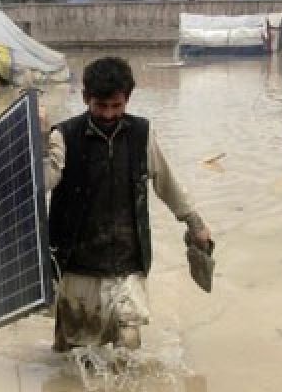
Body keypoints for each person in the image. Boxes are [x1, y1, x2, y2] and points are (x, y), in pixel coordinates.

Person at [43, 56, 211, 353]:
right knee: (69, 347)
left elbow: (166, 182)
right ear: (85, 99)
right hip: (76, 262)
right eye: (101, 106)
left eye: (117, 106)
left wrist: (194, 222)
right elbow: (45, 180)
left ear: (127, 101)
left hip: (127, 259)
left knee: (129, 343)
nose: (109, 114)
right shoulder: (63, 136)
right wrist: (38, 139)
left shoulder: (141, 134)